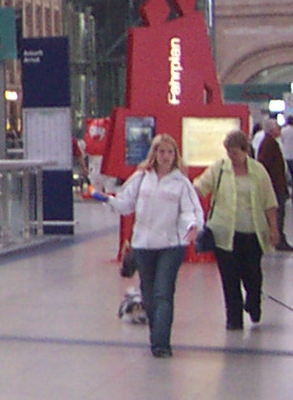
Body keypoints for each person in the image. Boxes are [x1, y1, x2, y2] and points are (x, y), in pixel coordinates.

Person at [91, 133, 202, 357]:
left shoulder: (181, 183)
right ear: (154, 154)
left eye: (170, 152)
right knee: (149, 295)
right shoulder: (141, 178)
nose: (165, 156)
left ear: (175, 155)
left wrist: (192, 226)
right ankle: (156, 335)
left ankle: (161, 344)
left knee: (164, 293)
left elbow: (191, 210)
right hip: (143, 245)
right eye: (161, 152)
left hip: (171, 245)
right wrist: (107, 199)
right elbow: (125, 203)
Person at [193, 129, 282, 329]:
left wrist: (274, 229)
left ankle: (254, 302)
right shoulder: (219, 169)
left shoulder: (258, 172)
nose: (231, 156)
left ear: (245, 151)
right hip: (224, 234)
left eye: (234, 152)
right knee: (229, 278)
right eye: (228, 152)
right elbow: (200, 186)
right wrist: (184, 188)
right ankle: (234, 319)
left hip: (253, 233)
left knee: (253, 275)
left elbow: (269, 202)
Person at [254, 121, 291, 252]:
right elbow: (263, 163)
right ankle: (278, 239)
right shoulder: (269, 144)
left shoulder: (271, 142)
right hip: (275, 186)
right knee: (278, 213)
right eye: (276, 127)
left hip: (276, 185)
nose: (279, 129)